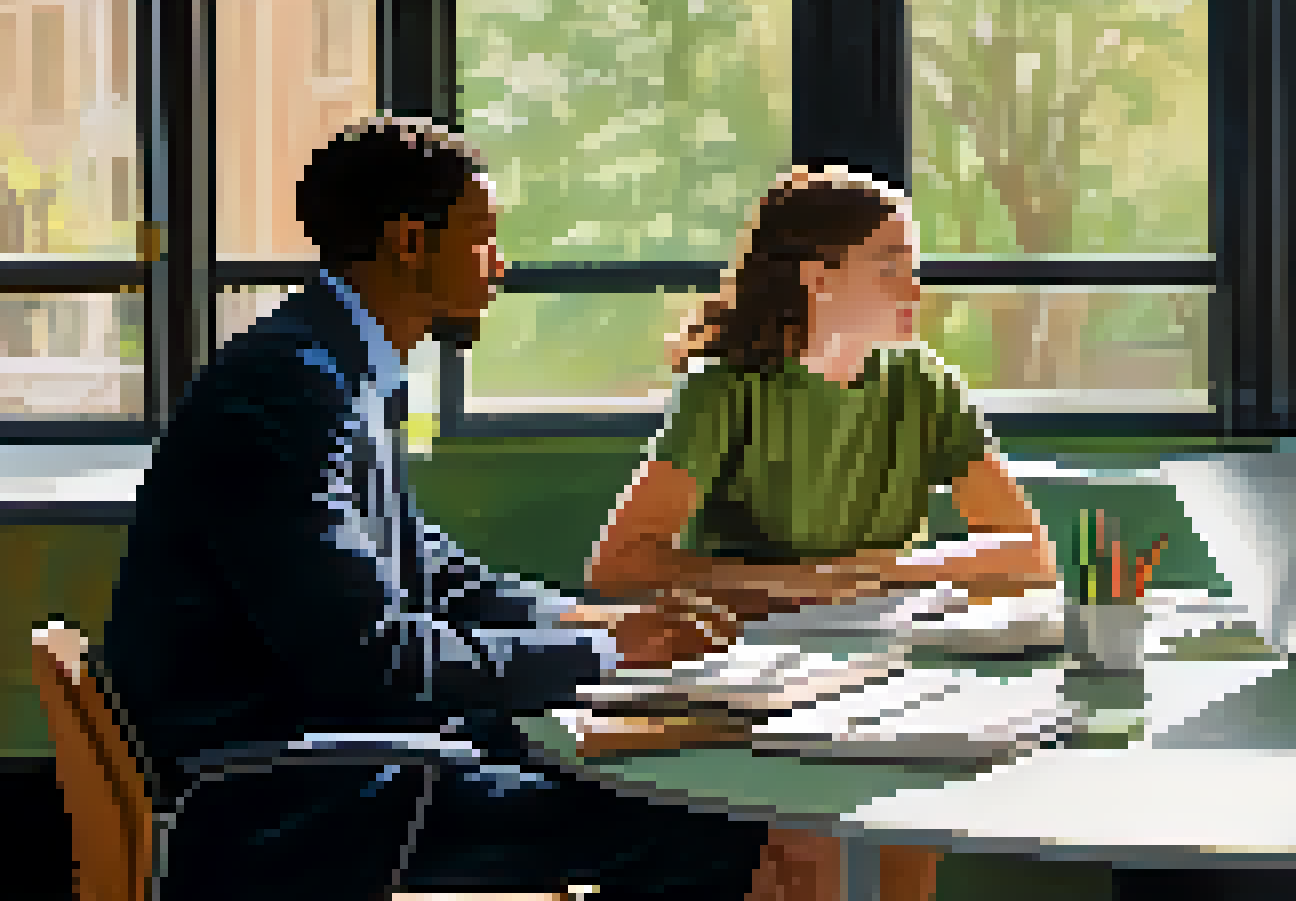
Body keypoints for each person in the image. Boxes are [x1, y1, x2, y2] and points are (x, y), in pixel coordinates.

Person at [104, 118, 823, 899]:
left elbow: (428, 568)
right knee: (701, 821)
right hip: (298, 800)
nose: (500, 266)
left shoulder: (326, 364)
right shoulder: (289, 393)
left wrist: (592, 624)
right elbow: (375, 655)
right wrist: (614, 656)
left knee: (688, 788)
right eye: (483, 240)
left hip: (344, 757)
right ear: (410, 243)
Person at [585, 164, 1060, 901]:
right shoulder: (725, 387)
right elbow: (619, 566)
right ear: (819, 278)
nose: (913, 289)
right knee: (806, 855)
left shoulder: (923, 383)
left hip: (885, 664)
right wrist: (793, 585)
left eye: (913, 265)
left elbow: (1027, 552)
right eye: (890, 264)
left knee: (909, 840)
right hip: (753, 673)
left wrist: (886, 572)